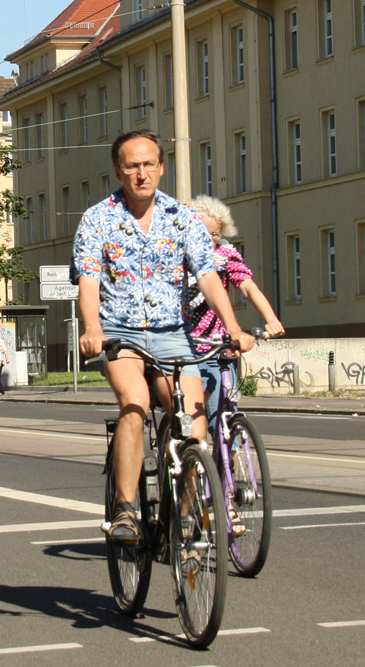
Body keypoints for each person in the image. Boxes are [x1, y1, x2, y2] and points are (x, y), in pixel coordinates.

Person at [71, 129, 256, 542]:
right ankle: (126, 511)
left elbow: (208, 276)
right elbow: (88, 281)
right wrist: (93, 328)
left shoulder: (183, 218)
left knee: (192, 422)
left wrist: (233, 328)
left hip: (173, 332)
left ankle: (186, 521)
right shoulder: (97, 219)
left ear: (161, 167)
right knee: (135, 403)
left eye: (149, 164)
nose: (142, 173)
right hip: (120, 333)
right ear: (119, 170)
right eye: (132, 166)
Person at [185, 194, 285, 435]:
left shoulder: (226, 255)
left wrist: (271, 319)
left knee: (225, 419)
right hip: (184, 347)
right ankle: (188, 459)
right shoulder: (178, 256)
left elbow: (248, 287)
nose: (209, 239)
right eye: (203, 232)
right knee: (188, 420)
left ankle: (229, 462)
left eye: (215, 234)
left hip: (217, 347)